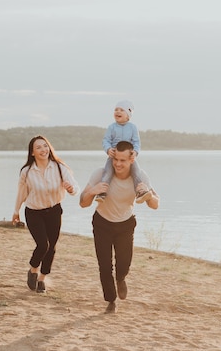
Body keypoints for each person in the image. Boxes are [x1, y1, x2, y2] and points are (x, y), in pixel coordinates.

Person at [80, 140, 159, 313]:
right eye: (115, 159)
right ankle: (111, 300)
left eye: (122, 160)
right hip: (102, 223)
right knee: (105, 265)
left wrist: (148, 194)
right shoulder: (100, 174)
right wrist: (92, 192)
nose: (117, 164)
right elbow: (83, 203)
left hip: (125, 224)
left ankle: (121, 278)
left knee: (124, 263)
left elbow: (155, 205)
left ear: (132, 159)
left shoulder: (140, 177)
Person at [12, 135, 79, 294]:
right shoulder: (27, 172)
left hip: (54, 211)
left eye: (45, 146)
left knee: (52, 248)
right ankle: (33, 269)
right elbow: (21, 193)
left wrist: (71, 189)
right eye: (39, 147)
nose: (43, 150)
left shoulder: (59, 167)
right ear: (32, 153)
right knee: (43, 245)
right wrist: (16, 211)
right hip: (34, 212)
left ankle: (42, 279)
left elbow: (75, 187)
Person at [95, 100, 154, 205]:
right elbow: (106, 140)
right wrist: (108, 149)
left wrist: (135, 152)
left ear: (128, 115)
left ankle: (140, 192)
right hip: (114, 156)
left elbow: (136, 142)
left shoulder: (132, 127)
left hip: (129, 158)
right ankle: (102, 193)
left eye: (121, 110)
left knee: (136, 172)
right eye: (116, 110)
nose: (118, 112)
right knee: (107, 172)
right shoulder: (111, 127)